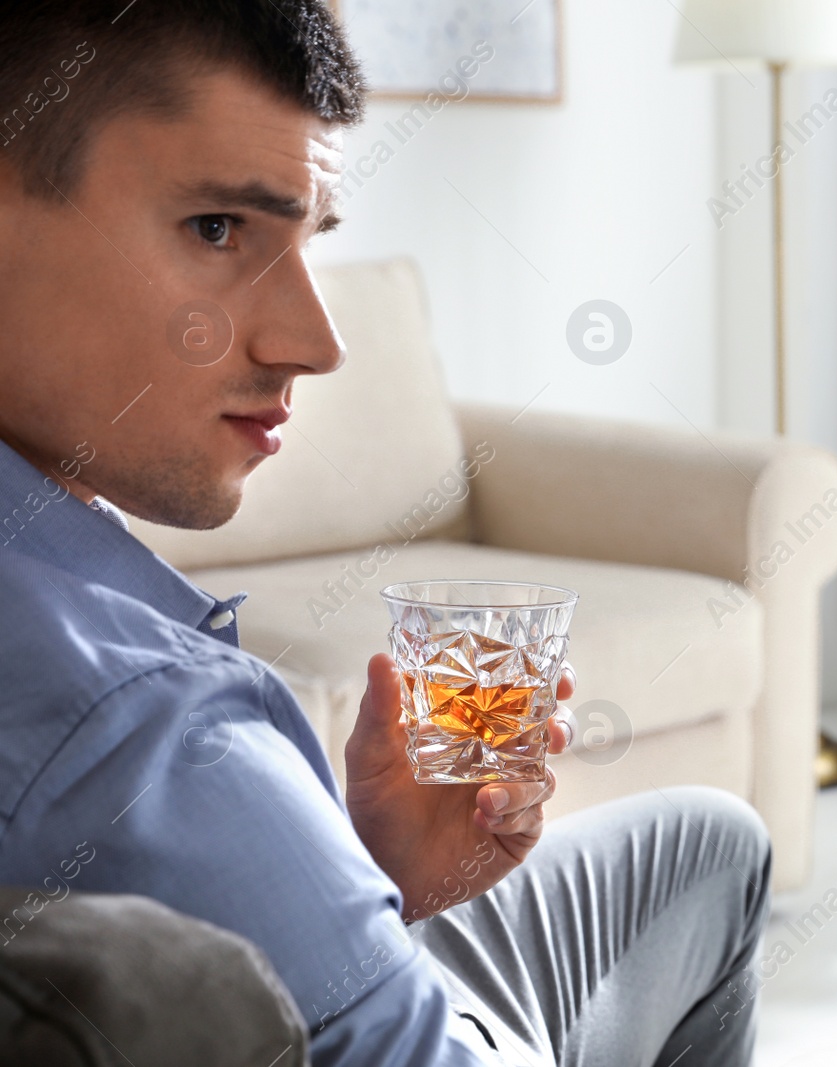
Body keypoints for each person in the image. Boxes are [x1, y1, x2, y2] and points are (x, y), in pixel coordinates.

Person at [0, 3, 771, 1064]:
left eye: (308, 242)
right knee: (716, 853)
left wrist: (367, 879)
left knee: (706, 838)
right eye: (217, 228)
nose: (314, 343)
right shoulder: (156, 735)